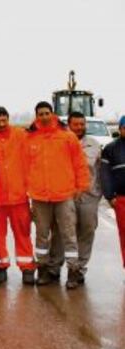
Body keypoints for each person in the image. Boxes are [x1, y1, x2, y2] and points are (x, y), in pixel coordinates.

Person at [26, 101, 91, 288]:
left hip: (64, 195)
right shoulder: (30, 138)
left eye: (47, 113)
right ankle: (44, 269)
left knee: (68, 235)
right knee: (41, 236)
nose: (44, 117)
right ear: (36, 116)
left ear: (52, 114)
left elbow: (79, 164)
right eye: (41, 114)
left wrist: (81, 186)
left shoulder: (67, 137)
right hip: (39, 197)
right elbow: (23, 165)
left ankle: (72, 271)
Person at [0, 106, 34, 286]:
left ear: (8, 119)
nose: (1, 124)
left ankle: (27, 268)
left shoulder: (21, 135)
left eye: (4, 120)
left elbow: (41, 135)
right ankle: (0, 268)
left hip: (19, 197)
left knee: (23, 234)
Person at [49, 112, 102, 288]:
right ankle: (54, 266)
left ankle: (78, 268)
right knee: (60, 231)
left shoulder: (94, 145)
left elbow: (100, 171)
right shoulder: (59, 142)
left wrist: (98, 194)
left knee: (87, 230)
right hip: (65, 195)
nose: (79, 127)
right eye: (76, 124)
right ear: (69, 125)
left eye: (82, 124)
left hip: (87, 196)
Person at [100, 116, 125, 270]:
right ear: (120, 129)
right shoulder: (111, 149)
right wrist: (110, 196)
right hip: (122, 198)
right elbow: (105, 174)